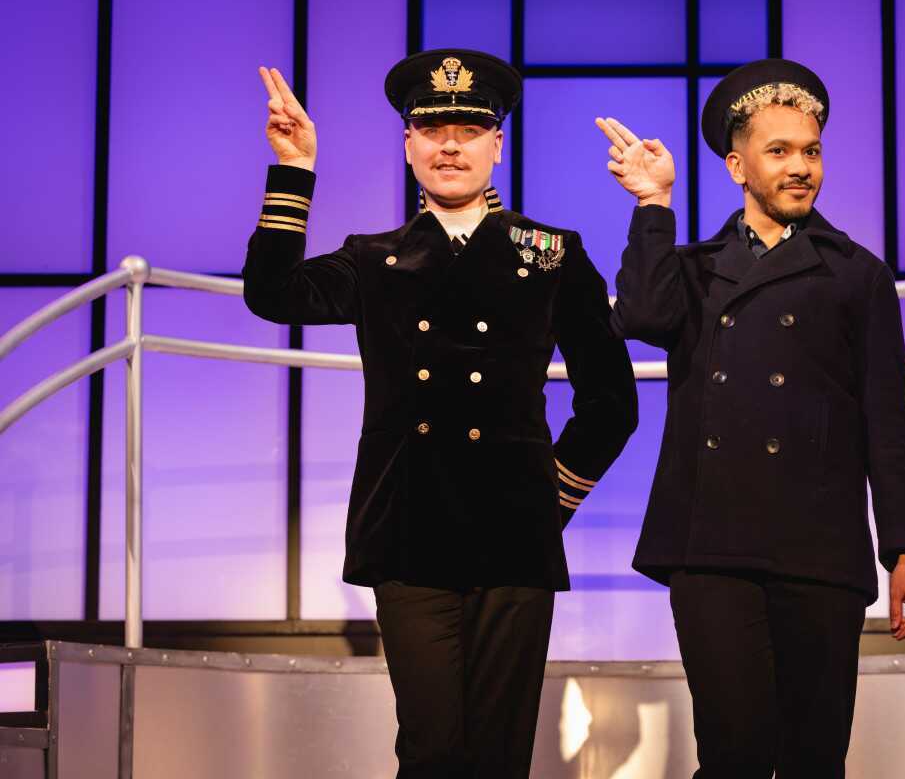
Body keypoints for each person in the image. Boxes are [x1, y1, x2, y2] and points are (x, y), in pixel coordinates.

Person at [243, 49, 637, 778]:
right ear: (408, 146)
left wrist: (549, 499)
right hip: (409, 533)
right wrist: (295, 168)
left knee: (498, 755)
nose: (449, 146)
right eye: (431, 130)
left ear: (497, 145)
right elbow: (272, 295)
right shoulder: (375, 259)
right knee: (430, 750)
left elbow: (612, 402)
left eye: (469, 130)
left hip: (514, 536)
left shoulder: (551, 255)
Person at [596, 59, 905, 777]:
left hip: (821, 549)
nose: (800, 168)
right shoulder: (693, 268)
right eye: (779, 151)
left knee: (814, 759)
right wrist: (654, 204)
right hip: (712, 547)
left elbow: (887, 420)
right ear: (737, 166)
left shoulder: (856, 274)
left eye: (811, 151)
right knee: (734, 755)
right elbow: (642, 317)